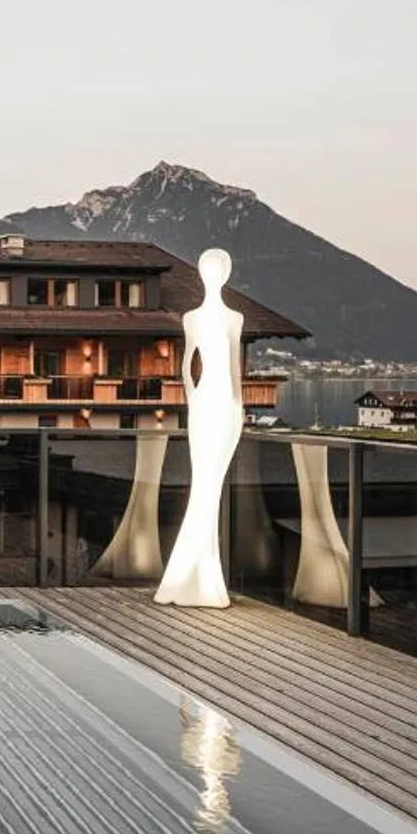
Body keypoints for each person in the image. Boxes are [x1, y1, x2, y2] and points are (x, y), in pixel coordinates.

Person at [156, 248, 243, 608]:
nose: (212, 275)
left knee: (210, 486)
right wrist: (195, 400)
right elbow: (186, 365)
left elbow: (235, 370)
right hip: (207, 402)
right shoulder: (192, 318)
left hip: (223, 405)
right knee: (205, 487)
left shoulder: (233, 319)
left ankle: (192, 578)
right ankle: (199, 579)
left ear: (224, 274)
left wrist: (238, 407)